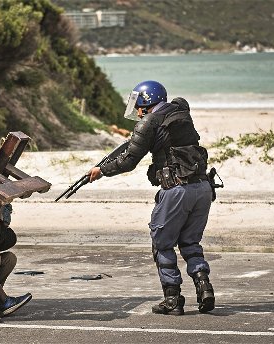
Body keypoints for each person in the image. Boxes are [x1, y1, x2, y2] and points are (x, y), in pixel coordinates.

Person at [87, 80, 215, 315]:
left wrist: (101, 171)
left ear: (147, 102)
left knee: (162, 243)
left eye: (138, 105)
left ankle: (173, 299)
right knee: (190, 243)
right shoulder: (180, 113)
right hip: (203, 187)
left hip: (176, 190)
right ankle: (204, 287)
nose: (136, 111)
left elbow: (128, 161)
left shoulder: (149, 122)